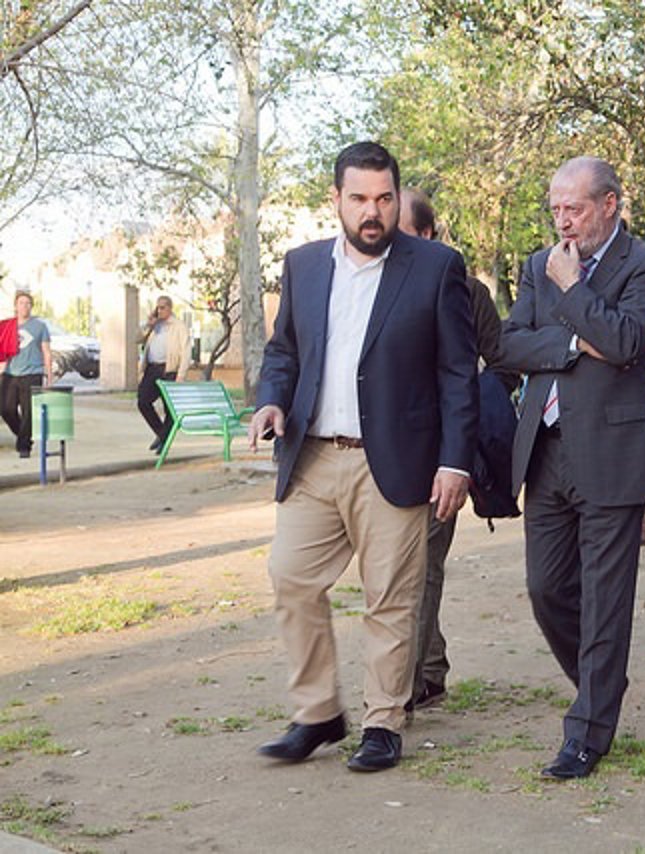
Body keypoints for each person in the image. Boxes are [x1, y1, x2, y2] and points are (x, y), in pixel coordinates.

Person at [251, 142, 477, 773]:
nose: (372, 213)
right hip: (315, 456)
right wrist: (272, 401)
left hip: (398, 461)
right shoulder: (302, 266)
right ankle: (318, 712)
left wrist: (455, 460)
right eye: (359, 199)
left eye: (383, 199)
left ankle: (383, 721)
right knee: (290, 576)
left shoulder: (435, 268)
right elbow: (284, 353)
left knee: (391, 597)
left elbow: (459, 373)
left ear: (396, 197)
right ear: (337, 200)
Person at [499, 156, 645, 779]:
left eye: (574, 208)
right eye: (555, 209)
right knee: (547, 589)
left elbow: (629, 343)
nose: (563, 221)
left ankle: (588, 732)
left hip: (613, 454)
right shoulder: (535, 265)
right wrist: (575, 344)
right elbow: (506, 345)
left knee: (606, 599)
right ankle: (599, 688)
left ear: (610, 204)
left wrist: (573, 293)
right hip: (544, 450)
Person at [399, 187, 517, 714]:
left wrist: (464, 410)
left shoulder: (470, 293)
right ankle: (429, 667)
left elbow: (504, 363)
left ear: (426, 234)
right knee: (394, 566)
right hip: (382, 451)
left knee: (421, 562)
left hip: (444, 452)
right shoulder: (364, 285)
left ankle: (407, 682)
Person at [1, 292, 53, 458]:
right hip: (10, 372)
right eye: (21, 303)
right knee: (6, 409)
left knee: (28, 411)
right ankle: (23, 437)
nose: (25, 306)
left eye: (28, 303)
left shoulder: (40, 326)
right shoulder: (7, 326)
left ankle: (24, 447)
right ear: (16, 306)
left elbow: (46, 351)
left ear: (31, 306)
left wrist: (49, 375)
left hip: (32, 373)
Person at [136, 296, 191, 453]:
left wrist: (181, 375)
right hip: (152, 369)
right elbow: (136, 339)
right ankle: (162, 435)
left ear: (169, 308)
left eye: (162, 308)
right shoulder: (154, 326)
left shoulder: (179, 326)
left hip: (169, 370)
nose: (159, 311)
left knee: (170, 410)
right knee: (143, 402)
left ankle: (163, 440)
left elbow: (186, 352)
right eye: (157, 307)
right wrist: (148, 325)